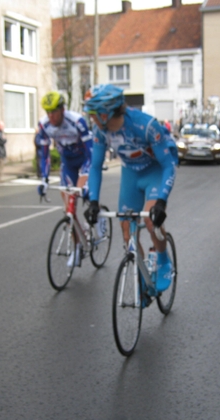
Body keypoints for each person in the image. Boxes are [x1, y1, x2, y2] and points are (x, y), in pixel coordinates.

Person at [83, 84, 177, 292]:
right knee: (127, 233)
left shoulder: (146, 125)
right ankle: (143, 279)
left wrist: (161, 201)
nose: (91, 118)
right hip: (130, 174)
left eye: (93, 113)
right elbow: (96, 167)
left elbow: (168, 165)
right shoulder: (100, 130)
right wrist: (94, 202)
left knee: (151, 220)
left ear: (105, 113)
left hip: (155, 172)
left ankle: (163, 259)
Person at [35, 91, 93, 206]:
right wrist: (44, 179)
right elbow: (45, 155)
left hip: (84, 159)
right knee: (68, 202)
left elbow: (90, 152)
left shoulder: (77, 121)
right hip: (68, 161)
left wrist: (86, 178)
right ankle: (70, 223)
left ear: (62, 110)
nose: (50, 116)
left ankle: (96, 217)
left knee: (86, 194)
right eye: (48, 112)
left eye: (54, 111)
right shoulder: (43, 125)